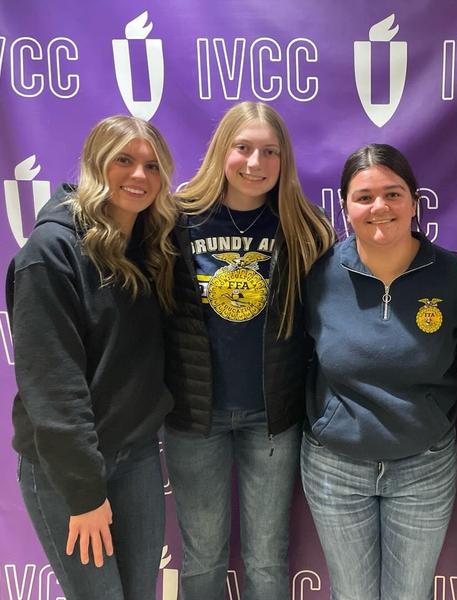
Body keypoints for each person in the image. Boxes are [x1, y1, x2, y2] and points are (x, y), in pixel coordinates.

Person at [162, 101, 333, 600]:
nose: (255, 163)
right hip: (195, 416)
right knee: (204, 554)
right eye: (244, 148)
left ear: (285, 161)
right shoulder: (176, 220)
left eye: (269, 151)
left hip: (271, 417)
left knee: (265, 554)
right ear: (222, 150)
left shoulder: (303, 227)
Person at [8, 115, 177, 599]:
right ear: (93, 164)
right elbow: (53, 386)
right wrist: (85, 494)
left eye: (152, 165)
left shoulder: (152, 246)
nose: (139, 175)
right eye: (123, 160)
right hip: (68, 468)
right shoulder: (51, 252)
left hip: (137, 456)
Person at [301, 143, 457, 600]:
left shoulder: (452, 277)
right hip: (335, 466)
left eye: (393, 194)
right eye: (364, 197)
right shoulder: (318, 275)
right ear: (344, 207)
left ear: (415, 203)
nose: (379, 207)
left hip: (423, 466)